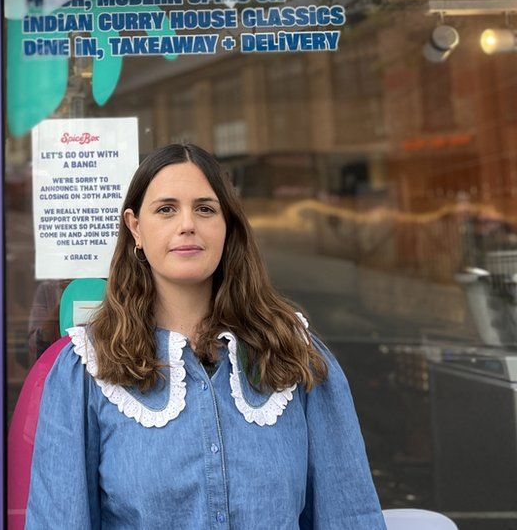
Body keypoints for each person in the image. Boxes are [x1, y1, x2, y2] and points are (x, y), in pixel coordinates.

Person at [25, 144, 385, 529]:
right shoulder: (87, 369)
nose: (187, 225)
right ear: (135, 228)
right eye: (166, 209)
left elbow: (350, 516)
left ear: (227, 226)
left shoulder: (294, 353)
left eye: (205, 208)